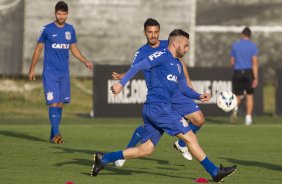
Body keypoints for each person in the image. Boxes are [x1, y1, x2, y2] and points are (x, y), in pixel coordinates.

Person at [91, 29, 237, 183]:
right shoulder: (161, 56)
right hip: (159, 108)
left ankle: (105, 159)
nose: (187, 49)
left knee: (145, 150)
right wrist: (121, 84)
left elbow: (184, 88)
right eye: (185, 45)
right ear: (175, 43)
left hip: (155, 109)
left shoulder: (178, 65)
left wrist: (199, 96)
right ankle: (214, 172)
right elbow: (137, 66)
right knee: (190, 138)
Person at [112, 18, 205, 167]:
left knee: (199, 119)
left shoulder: (167, 45)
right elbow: (134, 69)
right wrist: (122, 78)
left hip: (176, 93)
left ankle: (182, 144)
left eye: (156, 32)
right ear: (145, 33)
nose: (153, 35)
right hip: (160, 96)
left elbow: (180, 61)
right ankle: (125, 154)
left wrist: (187, 81)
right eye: (150, 32)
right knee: (148, 129)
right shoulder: (142, 52)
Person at [28, 1, 93, 143]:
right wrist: (32, 68)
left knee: (60, 104)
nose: (61, 16)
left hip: (64, 73)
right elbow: (38, 49)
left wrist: (84, 60)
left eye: (63, 14)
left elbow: (73, 48)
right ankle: (57, 134)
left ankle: (53, 135)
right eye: (59, 13)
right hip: (50, 72)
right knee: (54, 102)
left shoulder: (70, 30)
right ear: (55, 13)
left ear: (67, 14)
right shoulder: (46, 29)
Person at [230, 27, 258, 125]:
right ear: (250, 35)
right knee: (249, 96)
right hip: (248, 72)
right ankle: (248, 118)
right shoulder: (252, 46)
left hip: (237, 71)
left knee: (237, 96)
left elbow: (232, 61)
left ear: (242, 34)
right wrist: (255, 77)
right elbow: (254, 62)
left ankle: (235, 110)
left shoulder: (235, 45)